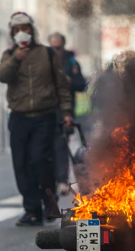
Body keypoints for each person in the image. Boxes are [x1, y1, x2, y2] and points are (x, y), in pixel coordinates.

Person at [0, 12, 74, 226]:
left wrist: (66, 112)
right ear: (12, 33)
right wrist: (15, 59)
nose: (22, 32)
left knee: (40, 161)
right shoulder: (9, 54)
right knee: (21, 165)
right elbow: (2, 76)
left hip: (44, 117)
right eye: (17, 29)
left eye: (26, 27)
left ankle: (50, 204)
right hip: (19, 118)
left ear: (32, 30)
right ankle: (31, 210)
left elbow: (62, 86)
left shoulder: (47, 54)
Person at [48, 32, 87, 196]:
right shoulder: (45, 62)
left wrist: (69, 80)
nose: (56, 50)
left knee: (61, 147)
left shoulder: (71, 63)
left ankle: (63, 181)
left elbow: (81, 84)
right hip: (46, 111)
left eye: (58, 47)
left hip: (64, 112)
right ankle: (51, 180)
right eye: (53, 47)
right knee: (46, 149)